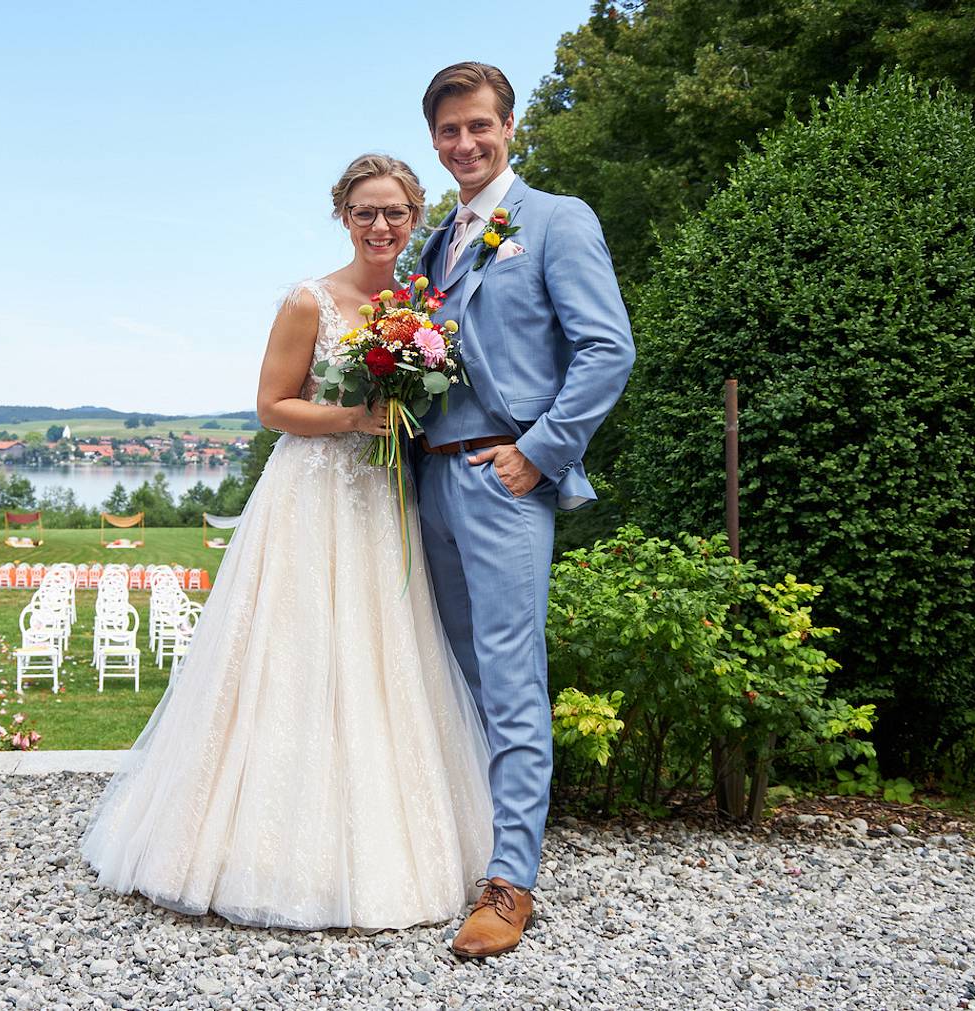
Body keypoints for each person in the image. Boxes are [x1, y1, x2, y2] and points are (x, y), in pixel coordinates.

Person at [81, 154, 492, 930]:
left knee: (380, 652)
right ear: (344, 215)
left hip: (383, 498)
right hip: (311, 492)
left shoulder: (422, 303)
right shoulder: (311, 300)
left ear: (415, 217)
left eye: (396, 213)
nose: (381, 226)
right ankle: (256, 848)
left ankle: (390, 843)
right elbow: (271, 406)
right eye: (366, 211)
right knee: (293, 653)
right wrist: (353, 418)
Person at [413, 62, 635, 958]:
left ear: (510, 127)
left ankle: (511, 884)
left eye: (479, 126)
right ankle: (455, 844)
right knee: (450, 673)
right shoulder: (436, 241)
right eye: (448, 132)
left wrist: (538, 451)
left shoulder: (555, 219)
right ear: (434, 140)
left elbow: (607, 349)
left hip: (503, 481)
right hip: (428, 482)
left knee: (510, 682)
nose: (465, 143)